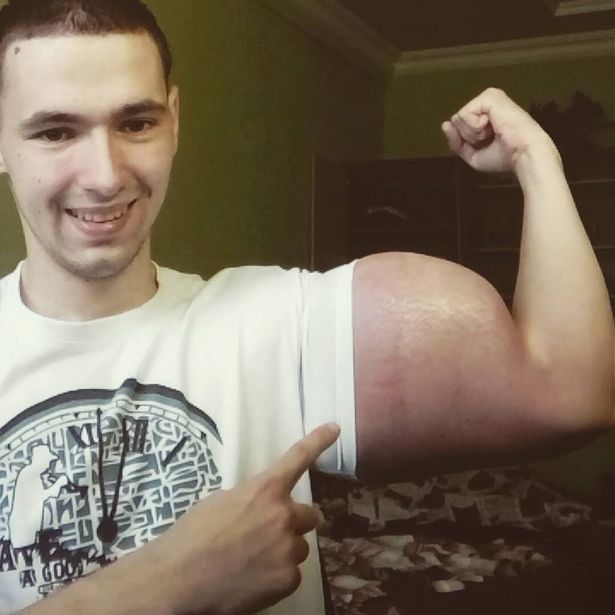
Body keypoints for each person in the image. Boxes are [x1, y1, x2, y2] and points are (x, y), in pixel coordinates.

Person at [0, 0, 611, 613]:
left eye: (136, 123)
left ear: (175, 121)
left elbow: (569, 391)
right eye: (56, 132)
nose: (105, 176)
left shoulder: (281, 321)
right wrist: (173, 581)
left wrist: (537, 161)